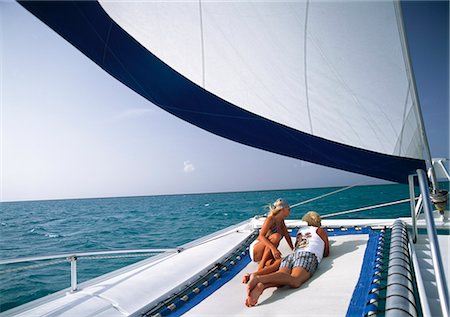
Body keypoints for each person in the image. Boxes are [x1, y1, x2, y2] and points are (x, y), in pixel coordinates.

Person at [245, 211, 329, 307]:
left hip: (292, 255)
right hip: (307, 255)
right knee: (295, 280)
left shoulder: (301, 231)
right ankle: (259, 279)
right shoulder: (320, 231)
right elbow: (326, 253)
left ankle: (263, 286)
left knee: (282, 277)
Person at [242, 198, 294, 284]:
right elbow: (261, 236)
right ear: (283, 209)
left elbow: (287, 235)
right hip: (256, 249)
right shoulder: (270, 219)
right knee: (276, 236)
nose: (289, 211)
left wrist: (294, 250)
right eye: (289, 209)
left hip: (266, 252)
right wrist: (274, 249)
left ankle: (252, 275)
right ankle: (261, 266)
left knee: (280, 262)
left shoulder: (281, 220)